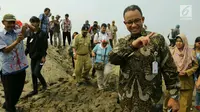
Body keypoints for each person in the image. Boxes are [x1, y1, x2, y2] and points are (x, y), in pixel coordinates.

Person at [109, 5, 180, 112]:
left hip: (152, 104)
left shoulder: (157, 40)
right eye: (129, 22)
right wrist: (132, 46)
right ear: (125, 23)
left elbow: (169, 69)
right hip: (127, 103)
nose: (133, 25)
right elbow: (112, 59)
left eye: (137, 20)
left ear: (143, 19)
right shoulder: (122, 42)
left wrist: (174, 97)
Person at [0, 14, 28, 112]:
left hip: (20, 67)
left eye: (13, 22)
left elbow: (25, 34)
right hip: (8, 70)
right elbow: (5, 50)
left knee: (18, 91)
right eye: (9, 22)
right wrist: (17, 41)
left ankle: (7, 105)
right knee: (10, 93)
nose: (12, 24)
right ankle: (10, 108)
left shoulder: (17, 31)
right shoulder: (0, 35)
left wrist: (24, 28)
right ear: (3, 22)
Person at [24, 16, 48, 97]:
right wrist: (25, 53)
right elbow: (28, 45)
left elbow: (45, 46)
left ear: (38, 23)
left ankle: (44, 85)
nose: (33, 24)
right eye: (31, 22)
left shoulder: (43, 33)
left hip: (40, 57)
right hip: (33, 57)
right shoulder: (30, 33)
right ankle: (35, 90)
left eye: (35, 22)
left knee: (36, 72)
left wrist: (44, 56)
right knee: (33, 74)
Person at [194, 36, 200, 110]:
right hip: (191, 72)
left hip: (198, 73)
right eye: (198, 42)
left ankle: (197, 104)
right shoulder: (192, 51)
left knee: (198, 89)